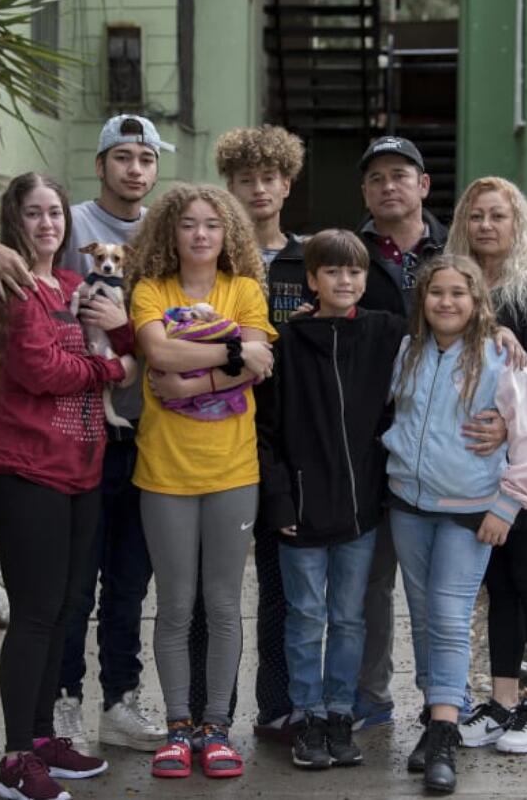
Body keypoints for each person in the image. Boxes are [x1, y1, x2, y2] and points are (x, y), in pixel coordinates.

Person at [0, 115, 170, 753]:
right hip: (35, 456)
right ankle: (45, 726)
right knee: (53, 602)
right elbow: (39, 364)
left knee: (111, 590)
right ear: (102, 163)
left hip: (112, 442)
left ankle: (95, 713)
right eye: (123, 157)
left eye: (146, 159)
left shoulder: (138, 246)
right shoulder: (54, 244)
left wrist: (130, 344)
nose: (135, 169)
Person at [0, 173, 137, 800]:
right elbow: (41, 370)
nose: (48, 224)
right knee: (33, 612)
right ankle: (13, 758)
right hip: (22, 467)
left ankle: (40, 738)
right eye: (34, 214)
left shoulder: (74, 285)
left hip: (79, 468)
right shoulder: (9, 282)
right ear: (15, 221)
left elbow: (111, 339)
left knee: (61, 609)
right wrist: (111, 367)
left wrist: (120, 347)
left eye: (55, 212)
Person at [350, 136, 519, 732]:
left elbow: (496, 327)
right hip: (385, 466)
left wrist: (502, 347)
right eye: (376, 178)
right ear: (366, 192)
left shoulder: (452, 249)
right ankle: (378, 703)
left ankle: (446, 711)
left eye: (401, 174)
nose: (388, 186)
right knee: (383, 595)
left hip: (463, 477)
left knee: (447, 608)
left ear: (424, 184)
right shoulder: (354, 254)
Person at [382, 254, 527, 793]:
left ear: (477, 301)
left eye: (459, 293)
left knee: (451, 618)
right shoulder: (408, 351)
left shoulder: (501, 358)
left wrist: (507, 506)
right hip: (408, 505)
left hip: (469, 511)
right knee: (424, 617)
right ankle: (436, 715)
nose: (447, 302)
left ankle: (444, 735)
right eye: (437, 292)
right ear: (423, 300)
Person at [127, 183, 277, 779]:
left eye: (212, 225)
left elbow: (262, 359)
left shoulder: (243, 289)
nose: (200, 235)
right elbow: (158, 355)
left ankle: (216, 728)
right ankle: (177, 729)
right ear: (172, 232)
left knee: (222, 605)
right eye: (189, 224)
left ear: (227, 234)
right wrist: (231, 350)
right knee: (174, 606)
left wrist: (196, 385)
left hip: (232, 471)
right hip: (164, 472)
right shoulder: (149, 290)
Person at [255, 229, 405, 770]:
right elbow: (266, 434)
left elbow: (450, 327)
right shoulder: (287, 346)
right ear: (312, 280)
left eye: (355, 272)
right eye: (333, 272)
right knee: (305, 618)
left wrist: (498, 334)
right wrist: (279, 502)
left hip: (360, 510)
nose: (345, 281)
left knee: (348, 618)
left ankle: (341, 714)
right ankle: (307, 717)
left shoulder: (385, 333)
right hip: (300, 511)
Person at [447, 177, 527, 755]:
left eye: (497, 216)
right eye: (475, 216)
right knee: (496, 584)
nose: (485, 226)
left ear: (516, 223)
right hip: (477, 462)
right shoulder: (460, 288)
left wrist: (509, 422)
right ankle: (502, 701)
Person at [215, 124, 311, 742]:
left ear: (287, 182)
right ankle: (205, 713)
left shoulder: (312, 258)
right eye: (246, 179)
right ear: (230, 186)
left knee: (279, 585)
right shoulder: (212, 257)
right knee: (213, 592)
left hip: (286, 439)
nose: (258, 189)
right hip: (216, 431)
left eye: (269, 178)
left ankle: (276, 706)